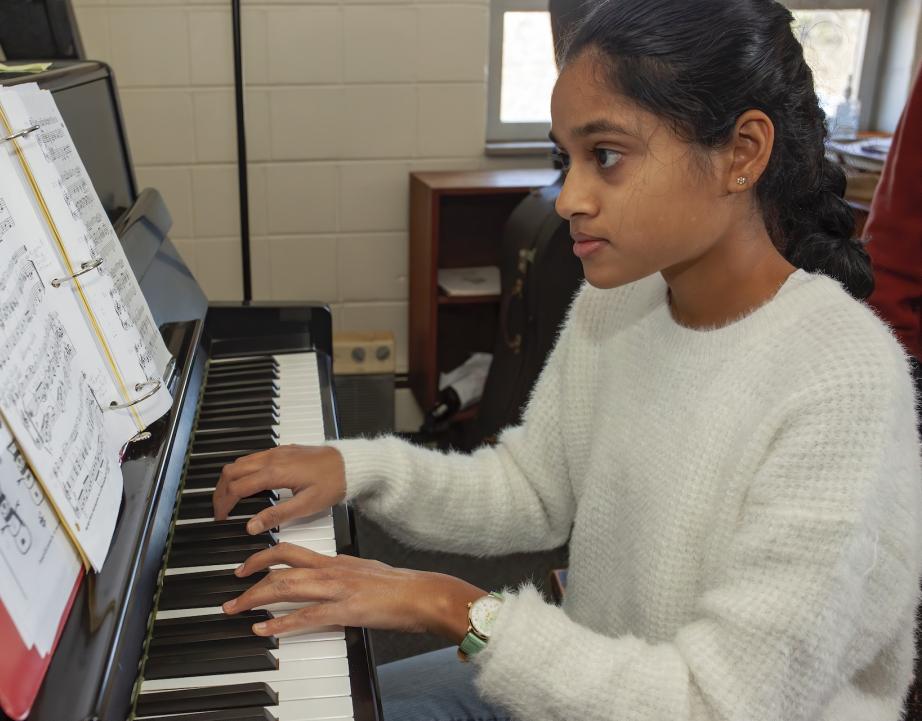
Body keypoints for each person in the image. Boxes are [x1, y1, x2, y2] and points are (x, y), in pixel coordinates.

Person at [212, 1, 922, 719]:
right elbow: (531, 488)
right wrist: (354, 468)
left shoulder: (843, 381)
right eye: (566, 158)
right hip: (581, 684)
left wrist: (453, 608)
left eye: (606, 156)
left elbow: (718, 703)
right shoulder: (621, 301)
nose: (570, 199)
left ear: (741, 153)